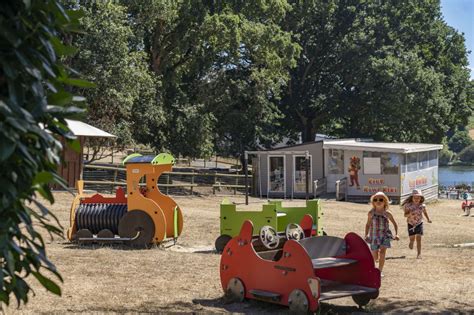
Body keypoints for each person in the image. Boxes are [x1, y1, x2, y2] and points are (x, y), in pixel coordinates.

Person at [365, 191, 399, 276]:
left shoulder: (387, 213)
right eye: (375, 199)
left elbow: (395, 224)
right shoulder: (371, 213)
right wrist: (366, 235)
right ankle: (375, 263)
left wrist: (396, 234)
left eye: (381, 199)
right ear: (373, 202)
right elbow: (368, 224)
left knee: (383, 253)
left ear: (385, 201)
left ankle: (379, 271)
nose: (378, 201)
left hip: (385, 236)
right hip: (374, 236)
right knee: (375, 256)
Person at [402, 189, 432, 259]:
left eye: (418, 197)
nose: (416, 199)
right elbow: (405, 215)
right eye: (415, 197)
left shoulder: (422, 206)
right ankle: (411, 242)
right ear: (412, 198)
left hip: (419, 223)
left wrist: (428, 219)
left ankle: (419, 254)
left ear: (421, 198)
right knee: (412, 238)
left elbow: (424, 212)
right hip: (410, 223)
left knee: (419, 238)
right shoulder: (408, 205)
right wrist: (409, 213)